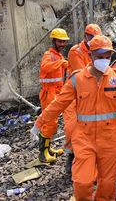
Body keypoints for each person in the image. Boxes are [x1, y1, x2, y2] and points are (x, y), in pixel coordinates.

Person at [32, 35, 116, 200]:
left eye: (107, 57)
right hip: (84, 138)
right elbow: (58, 104)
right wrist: (38, 124)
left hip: (111, 139)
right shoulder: (77, 79)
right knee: (82, 182)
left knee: (108, 184)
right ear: (90, 55)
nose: (104, 60)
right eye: (100, 57)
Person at [63, 23, 102, 172]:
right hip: (74, 95)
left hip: (89, 94)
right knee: (71, 127)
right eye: (91, 37)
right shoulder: (76, 51)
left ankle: (90, 158)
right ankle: (71, 156)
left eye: (95, 37)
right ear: (85, 36)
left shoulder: (97, 50)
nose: (93, 40)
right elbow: (83, 74)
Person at [37, 28, 69, 163]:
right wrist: (61, 63)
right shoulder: (48, 55)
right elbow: (45, 68)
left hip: (57, 92)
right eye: (59, 41)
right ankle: (43, 153)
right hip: (48, 92)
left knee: (53, 123)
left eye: (64, 42)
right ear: (54, 41)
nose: (62, 44)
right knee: (49, 122)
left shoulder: (60, 56)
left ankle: (48, 149)